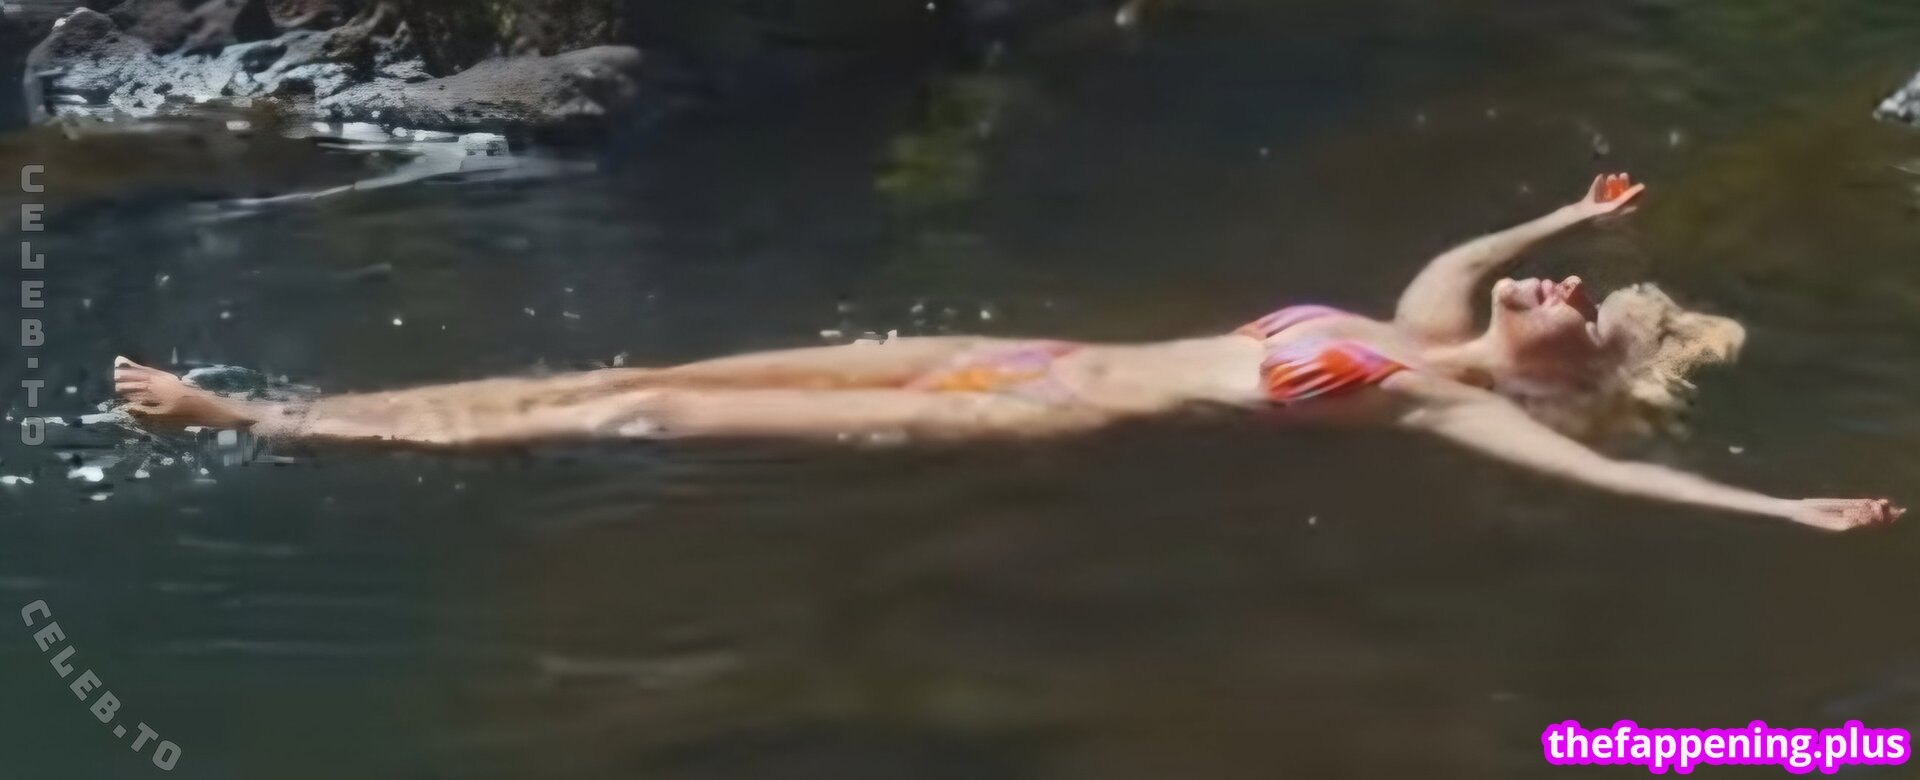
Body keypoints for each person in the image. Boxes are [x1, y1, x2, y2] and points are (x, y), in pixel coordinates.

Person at [114, 174, 1905, 531]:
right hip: (1019, 349)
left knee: (641, 406)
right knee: (651, 369)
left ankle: (265, 422)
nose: (1561, 291)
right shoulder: (1426, 322)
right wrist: (1563, 217)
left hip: (1010, 427)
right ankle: (290, 414)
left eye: (1581, 308)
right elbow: (1453, 257)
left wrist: (1781, 515)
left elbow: (1610, 476)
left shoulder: (1446, 407)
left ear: (1562, 368)